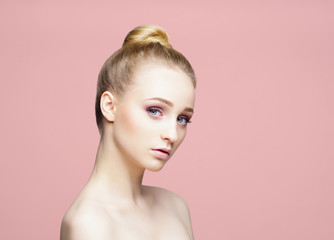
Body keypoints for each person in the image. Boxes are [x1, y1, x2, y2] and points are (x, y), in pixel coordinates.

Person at [60, 24, 196, 240]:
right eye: (155, 111)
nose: (172, 134)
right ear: (110, 107)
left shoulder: (175, 207)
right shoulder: (88, 225)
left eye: (182, 119)